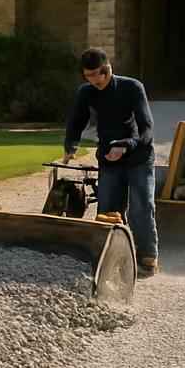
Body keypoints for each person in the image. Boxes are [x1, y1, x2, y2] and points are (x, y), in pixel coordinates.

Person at [64, 48, 159, 276]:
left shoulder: (132, 87)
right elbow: (76, 121)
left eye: (99, 74)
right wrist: (70, 147)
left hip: (138, 157)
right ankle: (112, 258)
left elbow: (147, 128)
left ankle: (148, 257)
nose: (96, 80)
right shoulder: (86, 92)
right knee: (107, 209)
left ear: (109, 69)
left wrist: (126, 144)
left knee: (141, 207)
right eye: (89, 76)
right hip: (109, 158)